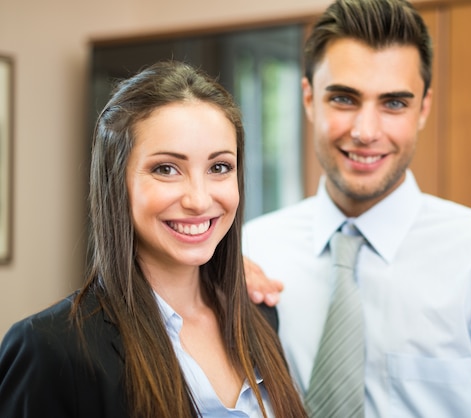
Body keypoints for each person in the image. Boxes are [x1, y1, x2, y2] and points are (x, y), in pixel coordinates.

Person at [242, 0, 471, 416]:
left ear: (424, 108)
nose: (365, 132)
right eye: (344, 99)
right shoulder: (249, 250)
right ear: (309, 99)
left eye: (394, 103)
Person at [0, 61, 307, 418]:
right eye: (166, 169)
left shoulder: (259, 316)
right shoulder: (50, 348)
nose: (199, 199)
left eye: (219, 167)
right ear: (117, 182)